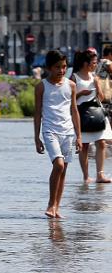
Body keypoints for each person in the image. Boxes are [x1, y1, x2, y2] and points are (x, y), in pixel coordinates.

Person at [34, 50, 82, 218]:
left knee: (64, 170)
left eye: (64, 67)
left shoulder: (71, 85)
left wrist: (79, 136)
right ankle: (50, 204)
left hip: (68, 132)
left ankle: (56, 207)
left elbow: (74, 110)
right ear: (48, 68)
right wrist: (36, 138)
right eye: (57, 67)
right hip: (50, 131)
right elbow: (38, 112)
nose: (61, 70)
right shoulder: (41, 86)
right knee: (59, 165)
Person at [71, 50, 112, 184]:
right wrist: (81, 94)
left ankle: (100, 174)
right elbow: (68, 98)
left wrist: (96, 88)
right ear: (85, 63)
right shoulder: (74, 78)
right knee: (85, 145)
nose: (95, 65)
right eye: (93, 63)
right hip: (82, 114)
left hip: (96, 111)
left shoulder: (94, 77)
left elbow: (101, 97)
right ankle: (86, 176)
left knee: (101, 142)